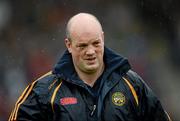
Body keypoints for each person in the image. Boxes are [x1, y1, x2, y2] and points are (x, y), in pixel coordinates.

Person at [9, 13, 172, 121]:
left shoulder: (133, 85)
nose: (90, 52)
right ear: (69, 45)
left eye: (96, 43)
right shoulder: (43, 91)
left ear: (103, 38)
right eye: (82, 45)